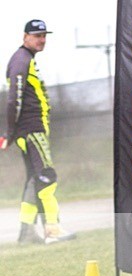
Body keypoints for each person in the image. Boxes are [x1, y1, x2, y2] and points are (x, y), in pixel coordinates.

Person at [1, 19, 74, 244]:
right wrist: (9, 133)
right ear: (25, 37)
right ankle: (52, 229)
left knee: (35, 179)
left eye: (44, 36)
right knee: (47, 177)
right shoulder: (21, 60)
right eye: (37, 36)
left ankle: (26, 233)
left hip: (31, 130)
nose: (41, 40)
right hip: (31, 129)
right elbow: (14, 99)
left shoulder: (26, 59)